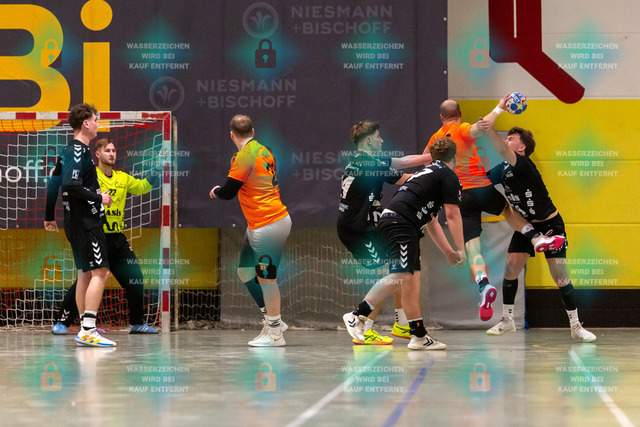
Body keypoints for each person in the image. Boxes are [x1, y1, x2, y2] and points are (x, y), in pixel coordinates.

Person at [423, 100, 565, 322]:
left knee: (472, 248)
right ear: (460, 114)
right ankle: (535, 238)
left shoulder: (436, 138)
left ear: (441, 118)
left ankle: (483, 284)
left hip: (460, 196)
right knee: (507, 208)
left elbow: (426, 159)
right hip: (481, 187)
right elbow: (480, 127)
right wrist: (499, 108)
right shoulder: (461, 128)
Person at [484, 102, 595, 341]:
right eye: (507, 137)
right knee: (511, 268)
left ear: (521, 147)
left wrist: (490, 127)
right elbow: (481, 182)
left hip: (550, 225)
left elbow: (502, 149)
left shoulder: (524, 164)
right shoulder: (502, 168)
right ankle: (507, 320)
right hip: (526, 226)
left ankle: (575, 325)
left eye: (511, 138)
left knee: (560, 276)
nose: (507, 140)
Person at [344, 136, 466, 350]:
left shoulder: (427, 174)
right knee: (401, 275)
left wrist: (448, 252)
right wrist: (461, 250)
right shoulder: (448, 176)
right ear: (454, 157)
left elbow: (432, 222)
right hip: (401, 223)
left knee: (410, 281)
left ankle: (419, 336)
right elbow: (453, 215)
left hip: (400, 223)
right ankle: (357, 315)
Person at [45, 138, 161, 335]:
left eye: (114, 150)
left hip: (116, 238)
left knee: (135, 278)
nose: (112, 154)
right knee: (86, 279)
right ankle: (63, 322)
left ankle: (136, 323)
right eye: (108, 150)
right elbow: (72, 189)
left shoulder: (123, 178)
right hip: (95, 234)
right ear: (97, 154)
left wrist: (157, 169)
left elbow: (142, 187)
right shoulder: (91, 176)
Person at [338, 121, 431, 345]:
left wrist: (430, 157)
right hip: (359, 229)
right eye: (378, 136)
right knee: (395, 274)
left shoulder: (365, 160)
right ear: (368, 140)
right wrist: (437, 174)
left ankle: (401, 324)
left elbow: (403, 161)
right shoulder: (369, 165)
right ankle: (363, 324)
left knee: (398, 267)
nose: (381, 140)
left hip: (367, 226)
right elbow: (406, 178)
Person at [209, 115, 291, 347]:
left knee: (267, 280)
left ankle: (275, 333)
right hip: (260, 224)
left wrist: (216, 190)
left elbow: (228, 192)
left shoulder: (243, 157)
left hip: (267, 225)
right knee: (245, 272)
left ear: (232, 135)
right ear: (253, 132)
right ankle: (273, 320)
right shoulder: (264, 150)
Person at [42, 104, 115, 347]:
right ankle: (88, 330)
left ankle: (85, 327)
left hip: (76, 223)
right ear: (86, 123)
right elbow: (71, 186)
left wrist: (49, 216)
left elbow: (53, 183)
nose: (97, 124)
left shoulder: (69, 150)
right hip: (86, 223)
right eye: (95, 120)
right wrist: (100, 198)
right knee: (101, 272)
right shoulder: (77, 150)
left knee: (84, 273)